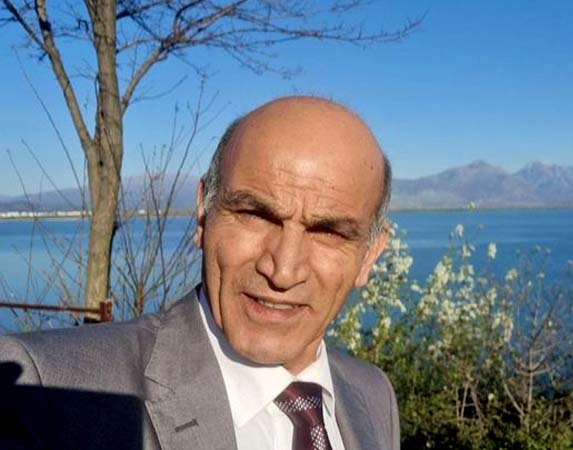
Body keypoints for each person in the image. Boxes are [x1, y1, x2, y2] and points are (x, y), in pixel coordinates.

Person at [0, 96, 398, 450]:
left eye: (328, 232)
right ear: (204, 213)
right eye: (255, 214)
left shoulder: (373, 394)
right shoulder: (44, 392)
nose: (283, 270)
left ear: (370, 255)